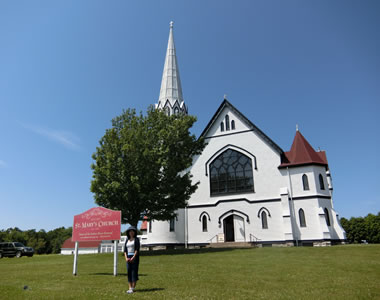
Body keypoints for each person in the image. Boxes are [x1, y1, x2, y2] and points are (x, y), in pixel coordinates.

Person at [124, 226, 140, 294]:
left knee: (134, 272)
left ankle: (133, 288)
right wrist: (126, 258)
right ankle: (129, 287)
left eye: (132, 231)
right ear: (128, 232)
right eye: (130, 231)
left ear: (134, 232)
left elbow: (137, 249)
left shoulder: (136, 239)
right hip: (128, 257)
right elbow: (125, 250)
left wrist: (133, 257)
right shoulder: (127, 240)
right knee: (129, 272)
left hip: (134, 257)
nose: (131, 232)